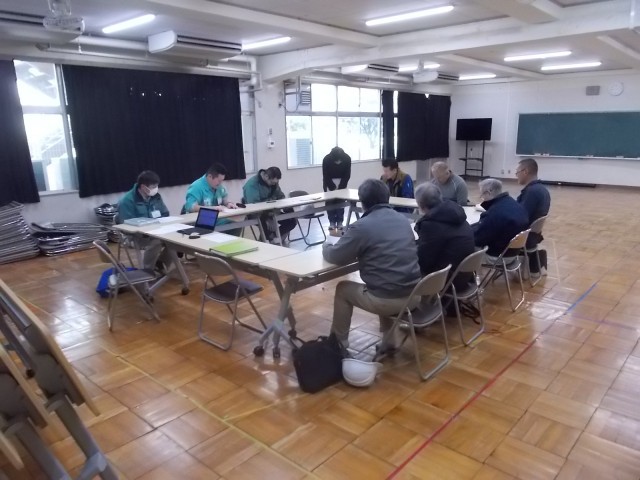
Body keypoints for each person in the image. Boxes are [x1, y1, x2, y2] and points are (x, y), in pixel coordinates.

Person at [323, 179, 421, 351]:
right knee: (386, 277)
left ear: (362, 202)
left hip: (387, 300)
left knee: (343, 289)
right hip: (415, 294)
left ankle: (338, 345)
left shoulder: (362, 226)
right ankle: (389, 341)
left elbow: (336, 256)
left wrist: (326, 245)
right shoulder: (402, 219)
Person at [414, 183, 475, 292]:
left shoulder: (431, 225)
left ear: (420, 205)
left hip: (447, 281)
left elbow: (424, 261)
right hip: (465, 276)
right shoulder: (455, 213)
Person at [116, 170, 170, 271]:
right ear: (143, 187)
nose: (156, 189)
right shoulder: (127, 201)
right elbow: (126, 226)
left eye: (156, 186)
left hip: (156, 231)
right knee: (157, 242)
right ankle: (148, 270)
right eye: (153, 187)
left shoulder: (156, 197)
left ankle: (160, 263)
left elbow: (165, 213)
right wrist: (147, 231)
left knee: (175, 240)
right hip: (135, 236)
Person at [472, 178, 529, 258]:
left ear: (488, 193)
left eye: (482, 195)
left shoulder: (495, 212)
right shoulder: (513, 203)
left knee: (462, 245)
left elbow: (478, 239)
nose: (482, 199)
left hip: (497, 256)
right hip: (513, 253)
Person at [242, 167, 296, 243]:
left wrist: (281, 208)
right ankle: (266, 240)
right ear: (266, 176)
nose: (274, 184)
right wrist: (269, 216)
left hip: (272, 211)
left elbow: (280, 196)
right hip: (257, 214)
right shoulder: (252, 185)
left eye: (276, 182)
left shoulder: (274, 183)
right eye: (272, 182)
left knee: (291, 220)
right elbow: (255, 206)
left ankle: (273, 236)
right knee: (264, 222)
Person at [516, 158, 551, 274]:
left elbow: (519, 218)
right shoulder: (542, 189)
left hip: (524, 237)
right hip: (533, 236)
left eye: (517, 172)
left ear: (525, 171)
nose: (516, 176)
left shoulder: (532, 192)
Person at [183, 163, 240, 234]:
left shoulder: (219, 187)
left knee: (236, 225)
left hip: (216, 218)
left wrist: (228, 203)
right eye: (219, 181)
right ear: (210, 176)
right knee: (228, 227)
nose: (221, 183)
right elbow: (191, 207)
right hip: (199, 221)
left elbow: (224, 199)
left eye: (222, 180)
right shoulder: (196, 187)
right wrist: (212, 208)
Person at [322, 147, 351, 230]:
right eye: (336, 161)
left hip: (342, 182)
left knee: (341, 203)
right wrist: (332, 186)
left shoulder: (347, 158)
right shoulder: (327, 159)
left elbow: (347, 174)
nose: (338, 162)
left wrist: (341, 186)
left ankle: (340, 222)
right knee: (330, 203)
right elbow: (325, 175)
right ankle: (331, 222)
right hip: (329, 183)